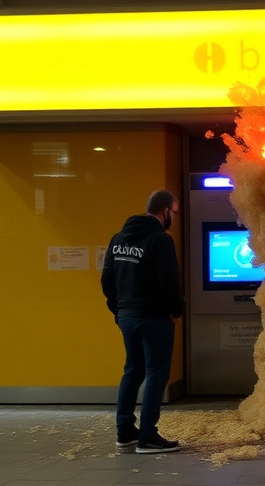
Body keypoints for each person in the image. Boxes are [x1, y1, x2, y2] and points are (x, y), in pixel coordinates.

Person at [101, 189, 185, 454]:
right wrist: (176, 310)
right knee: (157, 372)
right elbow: (170, 282)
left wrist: (117, 308)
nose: (174, 217)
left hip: (126, 315)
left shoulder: (118, 239)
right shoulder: (160, 240)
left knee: (133, 370)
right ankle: (148, 435)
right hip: (154, 317)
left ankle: (125, 431)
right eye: (174, 212)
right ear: (165, 211)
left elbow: (106, 280)